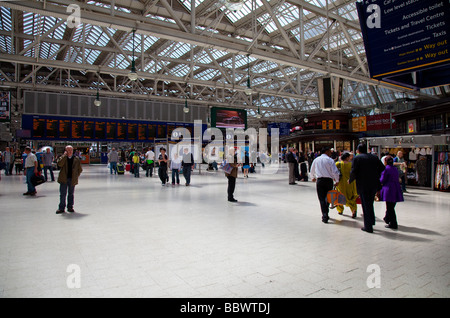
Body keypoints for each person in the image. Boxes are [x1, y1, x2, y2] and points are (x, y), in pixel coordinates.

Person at [349, 144, 386, 233]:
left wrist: (350, 180)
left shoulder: (357, 158)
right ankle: (371, 221)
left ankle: (368, 226)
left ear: (358, 150)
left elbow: (354, 171)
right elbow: (382, 168)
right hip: (373, 183)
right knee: (370, 203)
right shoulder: (374, 157)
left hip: (363, 184)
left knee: (365, 204)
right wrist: (375, 174)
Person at [310, 147, 340, 223]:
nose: (331, 152)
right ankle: (326, 213)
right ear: (326, 151)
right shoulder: (330, 160)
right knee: (328, 198)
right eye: (330, 151)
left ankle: (324, 215)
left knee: (321, 198)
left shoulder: (316, 160)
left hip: (320, 181)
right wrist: (337, 180)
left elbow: (312, 170)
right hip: (329, 181)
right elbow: (335, 172)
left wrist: (312, 177)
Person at [379, 156, 404, 230]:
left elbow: (382, 179)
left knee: (389, 207)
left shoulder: (386, 169)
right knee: (392, 206)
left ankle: (393, 223)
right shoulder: (395, 169)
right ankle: (387, 218)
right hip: (396, 188)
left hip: (388, 188)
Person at [56, 145, 83, 214]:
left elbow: (80, 169)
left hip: (72, 179)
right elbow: (59, 164)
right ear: (65, 151)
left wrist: (76, 176)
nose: (69, 152)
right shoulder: (62, 158)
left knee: (71, 194)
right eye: (68, 150)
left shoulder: (76, 159)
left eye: (71, 150)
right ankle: (61, 208)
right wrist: (64, 156)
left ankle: (70, 207)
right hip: (64, 178)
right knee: (63, 194)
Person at [335, 152, 358, 218]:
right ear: (347, 158)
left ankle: (340, 210)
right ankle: (353, 210)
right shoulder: (351, 164)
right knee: (351, 197)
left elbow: (334, 172)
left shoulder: (338, 164)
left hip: (341, 183)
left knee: (340, 196)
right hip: (350, 183)